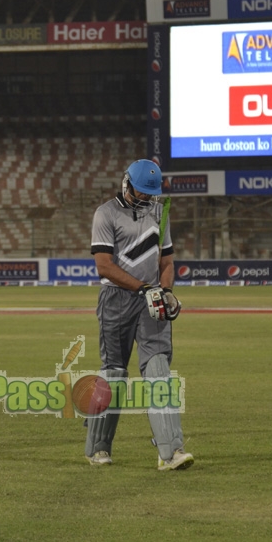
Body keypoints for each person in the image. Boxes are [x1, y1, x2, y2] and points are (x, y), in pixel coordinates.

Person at [85, 159, 194, 471]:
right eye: (139, 192)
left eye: (149, 194)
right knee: (114, 373)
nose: (144, 198)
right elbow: (104, 266)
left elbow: (167, 262)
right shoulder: (105, 213)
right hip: (115, 300)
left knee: (158, 369)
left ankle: (170, 452)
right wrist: (144, 288)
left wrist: (166, 291)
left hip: (151, 299)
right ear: (126, 183)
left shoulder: (160, 213)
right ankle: (98, 447)